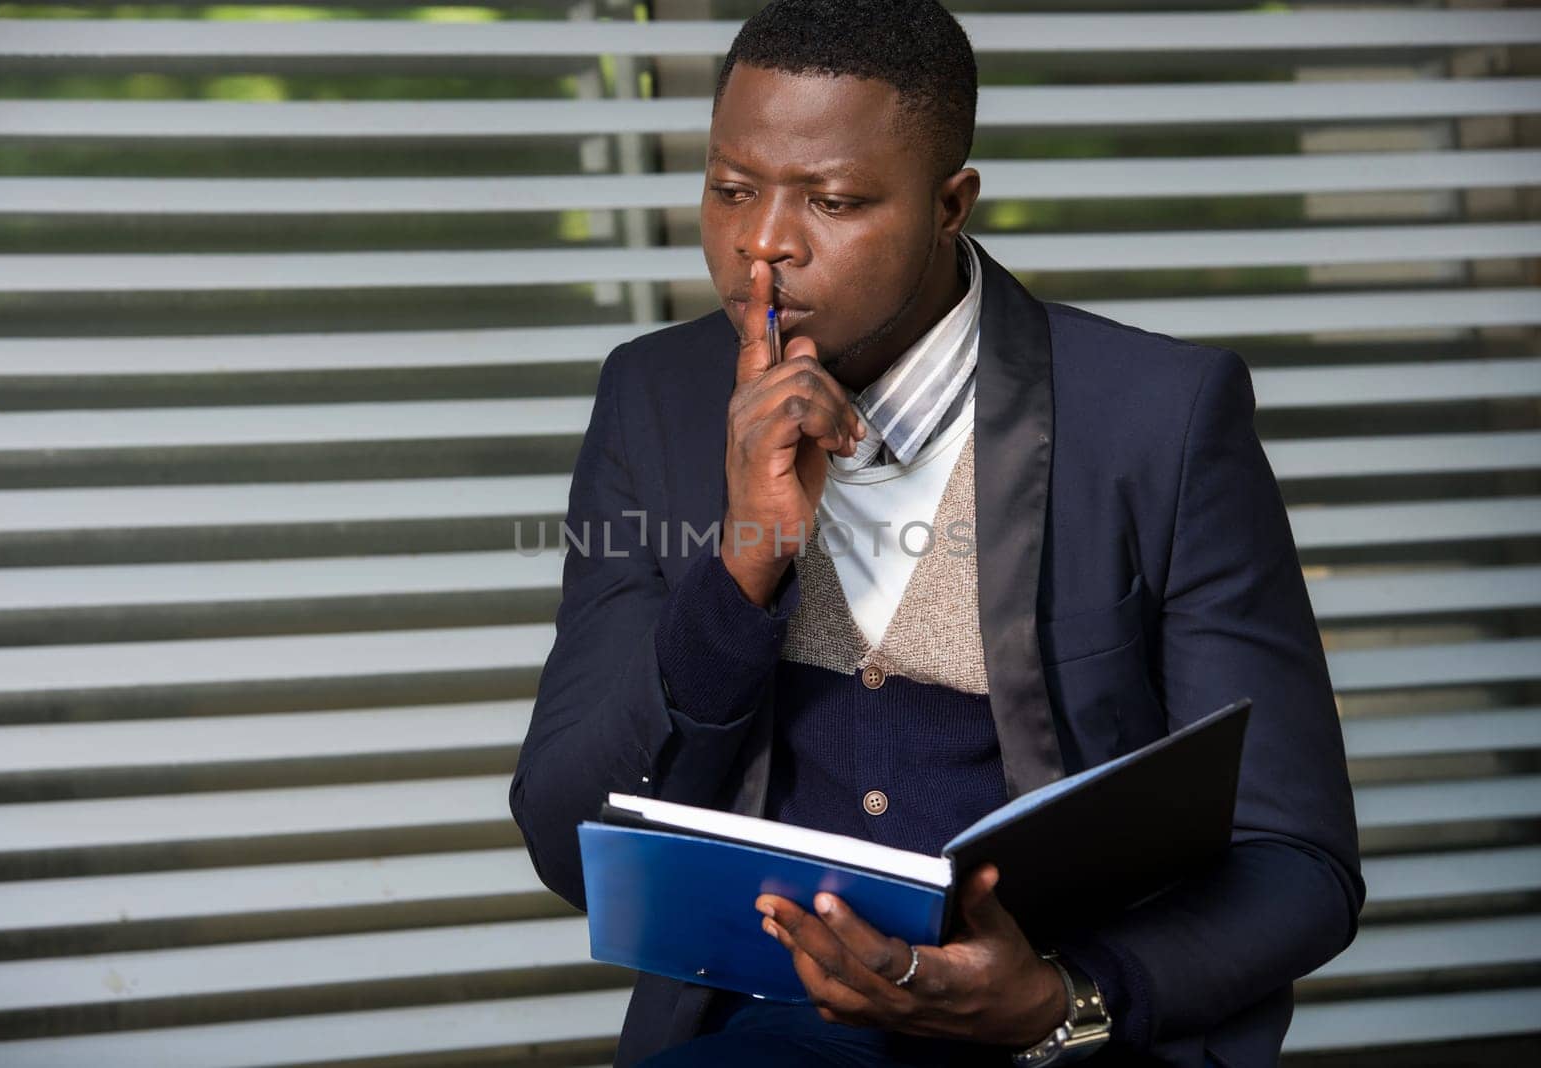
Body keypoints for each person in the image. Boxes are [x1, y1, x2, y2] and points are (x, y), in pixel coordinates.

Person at [510, 1, 1364, 1064]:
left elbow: (1295, 858)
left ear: (948, 203)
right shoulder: (653, 395)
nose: (761, 242)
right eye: (729, 189)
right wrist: (738, 567)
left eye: (831, 200)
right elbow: (566, 839)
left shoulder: (1157, 417)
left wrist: (1065, 999)